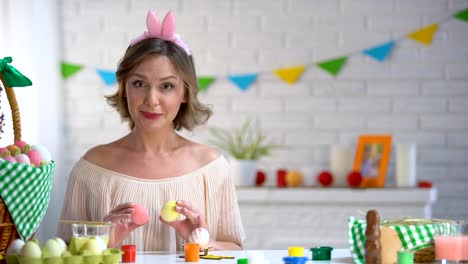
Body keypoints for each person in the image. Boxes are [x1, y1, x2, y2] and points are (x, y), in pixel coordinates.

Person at [58, 9, 245, 251]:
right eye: (139, 83)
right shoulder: (91, 168)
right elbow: (60, 252)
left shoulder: (212, 168)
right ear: (125, 88)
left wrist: (202, 243)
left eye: (166, 86)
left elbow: (238, 250)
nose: (151, 99)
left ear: (185, 93)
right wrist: (100, 243)